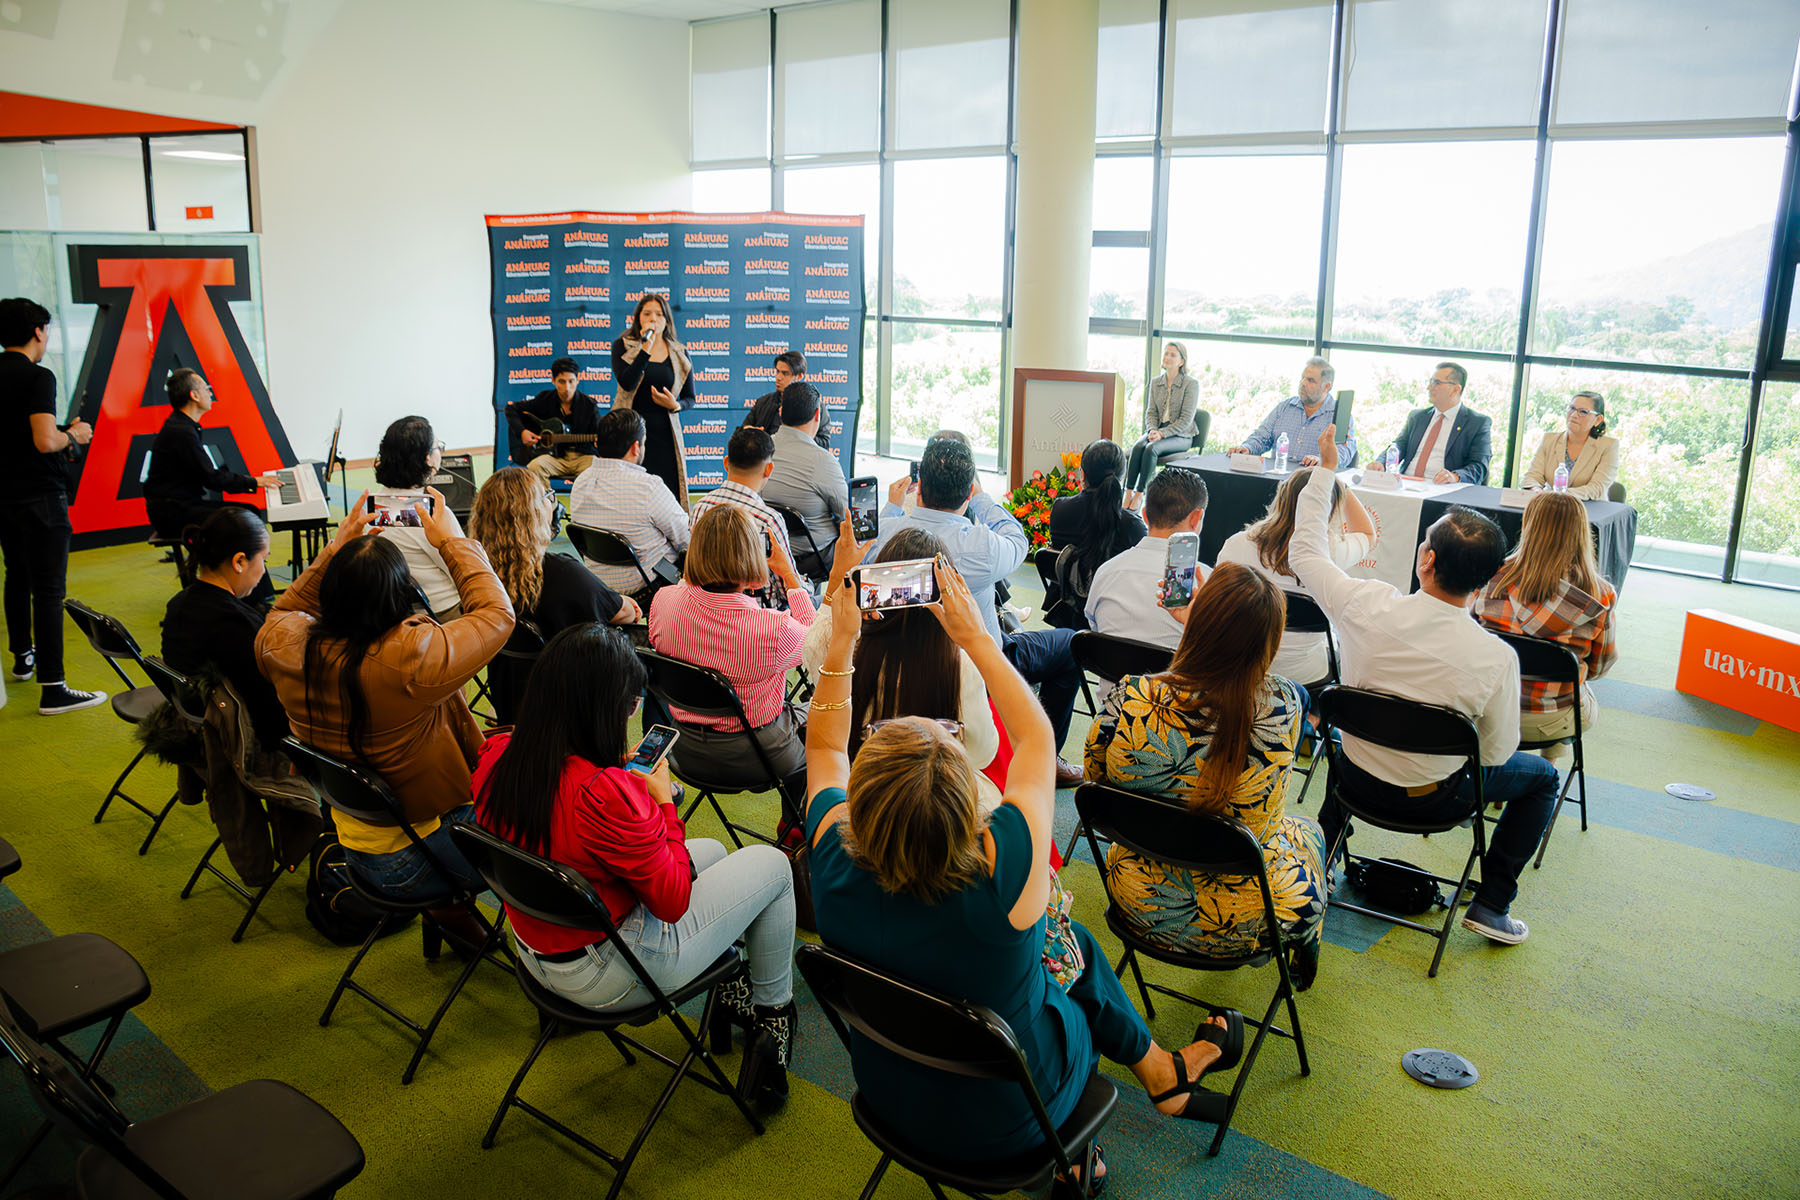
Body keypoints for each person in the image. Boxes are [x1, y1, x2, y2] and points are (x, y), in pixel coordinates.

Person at [805, 546, 1247, 1167]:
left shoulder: (827, 856)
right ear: (972, 815)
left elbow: (825, 744)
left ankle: (1162, 1073)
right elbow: (1037, 737)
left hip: (890, 1098)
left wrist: (844, 638)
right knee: (1067, 952)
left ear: (860, 799)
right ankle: (1152, 1081)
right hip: (1014, 1121)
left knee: (1062, 944)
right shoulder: (1003, 873)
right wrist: (975, 638)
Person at [473, 623, 797, 1113]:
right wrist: (661, 805)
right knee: (773, 866)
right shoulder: (602, 794)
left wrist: (617, 779)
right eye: (628, 708)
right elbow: (671, 901)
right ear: (601, 711)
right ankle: (772, 1020)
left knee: (708, 851)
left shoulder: (498, 754)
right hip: (612, 973)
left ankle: (729, 987)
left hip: (537, 951)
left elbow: (571, 827)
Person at [1292, 427, 1557, 945]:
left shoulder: (1364, 604)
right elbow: (1497, 754)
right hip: (1439, 800)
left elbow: (1305, 552)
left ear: (1427, 560)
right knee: (1543, 777)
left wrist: (1326, 469)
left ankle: (1315, 870)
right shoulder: (1497, 658)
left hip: (1356, 779)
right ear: (1484, 580)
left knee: (1352, 739)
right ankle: (1491, 905)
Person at [255, 487, 514, 918]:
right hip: (418, 858)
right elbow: (497, 615)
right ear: (400, 595)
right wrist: (451, 540)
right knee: (550, 820)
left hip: (354, 843)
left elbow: (288, 607)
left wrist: (338, 546)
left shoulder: (280, 643)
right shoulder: (411, 658)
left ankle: (463, 931)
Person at [1086, 563, 1327, 989]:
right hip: (1248, 920)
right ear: (1271, 640)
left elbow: (1094, 777)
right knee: (1309, 830)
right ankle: (1304, 949)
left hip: (1137, 897)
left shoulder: (1131, 696)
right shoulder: (1284, 706)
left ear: (1199, 621)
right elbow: (1268, 815)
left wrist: (1194, 631)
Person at [872, 436, 1086, 787]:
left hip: (896, 665)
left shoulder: (883, 536)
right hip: (979, 668)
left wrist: (892, 509)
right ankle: (1047, 757)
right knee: (1070, 645)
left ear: (919, 485)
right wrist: (984, 498)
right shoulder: (984, 545)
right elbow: (1019, 540)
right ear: (968, 493)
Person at [801, 525, 1003, 807]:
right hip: (938, 801)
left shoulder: (841, 645)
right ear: (947, 591)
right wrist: (977, 638)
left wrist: (838, 579)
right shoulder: (961, 663)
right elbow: (982, 753)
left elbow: (810, 646)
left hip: (860, 789)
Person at [648, 504, 814, 810]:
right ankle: (794, 828)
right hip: (759, 756)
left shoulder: (663, 601)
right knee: (825, 711)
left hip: (684, 750)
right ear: (753, 555)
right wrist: (791, 578)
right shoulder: (773, 628)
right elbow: (816, 646)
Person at [468, 467, 639, 725]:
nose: (553, 502)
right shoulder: (564, 573)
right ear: (534, 513)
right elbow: (625, 612)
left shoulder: (477, 573)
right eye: (548, 496)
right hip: (571, 712)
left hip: (510, 706)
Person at [0, 296, 104, 714]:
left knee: (16, 576)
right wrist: (73, 435)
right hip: (41, 496)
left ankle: (23, 658)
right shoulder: (38, 376)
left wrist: (59, 429)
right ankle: (54, 688)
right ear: (39, 332)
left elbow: (15, 434)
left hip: (3, 496)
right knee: (48, 590)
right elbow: (44, 441)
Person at [1473, 490, 1617, 759]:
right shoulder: (1600, 594)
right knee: (1575, 687)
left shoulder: (1492, 575)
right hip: (1550, 722)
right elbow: (1600, 666)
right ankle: (1547, 768)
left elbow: (1469, 638)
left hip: (1487, 713)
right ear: (1581, 533)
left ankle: (1498, 769)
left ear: (1529, 527)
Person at [1216, 468, 1376, 686]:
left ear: (1282, 497)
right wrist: (1337, 483)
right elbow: (1368, 534)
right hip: (1305, 675)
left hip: (1240, 665)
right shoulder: (1332, 553)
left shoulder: (1236, 544)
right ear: (1330, 508)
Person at [160, 507, 288, 749]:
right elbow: (271, 708)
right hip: (247, 740)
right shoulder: (235, 624)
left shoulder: (179, 604)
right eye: (264, 559)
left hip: (198, 726)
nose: (264, 570)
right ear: (240, 561)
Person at [143, 367, 278, 552]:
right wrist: (254, 481)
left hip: (178, 506)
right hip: (172, 513)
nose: (210, 392)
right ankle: (227, 569)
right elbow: (211, 478)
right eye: (206, 388)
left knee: (247, 514)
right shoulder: (181, 432)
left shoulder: (182, 426)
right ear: (194, 395)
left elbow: (207, 475)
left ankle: (230, 567)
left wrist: (252, 482)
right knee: (246, 516)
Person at [569, 408, 690, 600]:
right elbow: (687, 539)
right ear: (636, 447)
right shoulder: (649, 487)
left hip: (598, 584)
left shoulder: (580, 483)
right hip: (647, 586)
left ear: (596, 443)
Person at [1085, 467, 1209, 652]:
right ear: (1196, 517)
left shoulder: (1106, 571)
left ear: (1144, 515)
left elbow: (1095, 630)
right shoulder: (1208, 583)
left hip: (1114, 679)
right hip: (1176, 680)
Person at [688, 425, 792, 609]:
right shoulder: (769, 519)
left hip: (706, 607)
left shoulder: (700, 507)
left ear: (726, 463)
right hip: (760, 615)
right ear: (769, 469)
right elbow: (787, 589)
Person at [370, 415, 460, 619]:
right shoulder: (433, 512)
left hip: (390, 614)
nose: (441, 452)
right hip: (442, 612)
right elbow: (461, 568)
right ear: (428, 457)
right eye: (438, 447)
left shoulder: (368, 505)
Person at [611, 293, 695, 506]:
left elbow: (690, 398)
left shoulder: (679, 351)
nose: (653, 319)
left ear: (666, 321)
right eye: (647, 314)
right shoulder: (623, 346)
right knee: (631, 493)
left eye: (659, 314)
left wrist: (675, 405)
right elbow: (627, 383)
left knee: (668, 494)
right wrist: (645, 350)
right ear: (638, 318)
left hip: (666, 434)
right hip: (631, 433)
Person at [1048, 440, 1145, 610]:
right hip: (1114, 615)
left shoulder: (1059, 510)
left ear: (1082, 474)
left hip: (1068, 611)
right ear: (1122, 477)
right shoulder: (1134, 527)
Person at [761, 382, 846, 573]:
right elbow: (848, 519)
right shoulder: (823, 461)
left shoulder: (760, 451)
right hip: (813, 558)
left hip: (766, 551)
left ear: (781, 412)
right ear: (817, 415)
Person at [1367, 362, 1491, 485]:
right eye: (1430, 382)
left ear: (1455, 389)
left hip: (1442, 491)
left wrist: (1455, 476)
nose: (1430, 387)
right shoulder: (1417, 417)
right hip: (1405, 485)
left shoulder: (1477, 423)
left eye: (1436, 383)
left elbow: (1479, 466)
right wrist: (1380, 463)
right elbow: (1398, 446)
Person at [1229, 355, 1355, 469]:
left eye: (1310, 380)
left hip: (1313, 481)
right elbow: (1262, 437)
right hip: (1278, 483)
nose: (1303, 383)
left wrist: (1323, 460)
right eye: (1302, 378)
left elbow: (1345, 450)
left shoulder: (1339, 414)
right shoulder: (1285, 407)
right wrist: (1247, 448)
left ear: (1326, 387)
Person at [1123, 341, 1202, 510]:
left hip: (1182, 435)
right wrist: (1152, 429)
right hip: (1157, 430)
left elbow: (1186, 420)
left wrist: (1162, 434)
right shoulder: (1155, 382)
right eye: (1166, 353)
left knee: (1151, 449)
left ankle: (1140, 494)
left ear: (1181, 361)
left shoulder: (1191, 384)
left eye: (1173, 355)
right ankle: (1128, 492)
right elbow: (1150, 412)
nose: (1167, 357)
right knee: (1138, 447)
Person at [508, 356, 600, 483]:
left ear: (578, 380)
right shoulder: (545, 399)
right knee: (534, 467)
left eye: (571, 381)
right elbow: (511, 408)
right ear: (553, 381)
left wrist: (600, 442)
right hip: (555, 458)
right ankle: (547, 501)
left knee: (597, 469)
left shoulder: (589, 405)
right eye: (561, 382)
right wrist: (522, 431)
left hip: (583, 457)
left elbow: (598, 435)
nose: (567, 388)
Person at [1520, 391, 1620, 501]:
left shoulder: (1609, 446)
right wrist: (1536, 491)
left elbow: (1596, 488)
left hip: (1588, 510)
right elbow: (1532, 477)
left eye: (1582, 412)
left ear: (1598, 419)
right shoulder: (1549, 440)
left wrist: (1556, 495)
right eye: (1572, 408)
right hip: (1549, 506)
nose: (1574, 415)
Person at [742, 350, 828, 450]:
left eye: (785, 373)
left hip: (799, 460)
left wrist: (798, 434)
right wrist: (750, 433)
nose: (778, 377)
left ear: (799, 376)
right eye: (777, 371)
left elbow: (824, 443)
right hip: (766, 459)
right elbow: (741, 431)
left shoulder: (814, 405)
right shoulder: (763, 402)